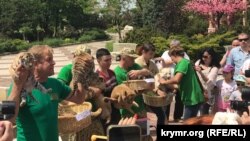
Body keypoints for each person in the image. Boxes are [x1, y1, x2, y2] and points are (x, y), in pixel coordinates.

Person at [7, 45, 87, 141]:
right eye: (49, 60)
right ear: (35, 64)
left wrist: (81, 76)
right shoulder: (18, 86)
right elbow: (7, 117)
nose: (54, 63)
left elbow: (79, 99)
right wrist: (17, 84)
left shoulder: (56, 84)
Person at [57, 45, 105, 141]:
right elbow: (59, 93)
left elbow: (99, 88)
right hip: (75, 116)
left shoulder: (90, 71)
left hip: (91, 115)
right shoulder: (67, 70)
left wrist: (88, 93)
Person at [159, 47, 204, 120]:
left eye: (171, 57)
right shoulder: (185, 62)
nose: (171, 59)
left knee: (187, 122)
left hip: (192, 98)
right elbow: (180, 83)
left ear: (175, 54)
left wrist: (164, 81)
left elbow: (177, 79)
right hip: (193, 97)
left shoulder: (182, 63)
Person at [114, 48, 152, 118]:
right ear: (124, 58)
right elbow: (124, 93)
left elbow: (148, 72)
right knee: (131, 128)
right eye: (131, 58)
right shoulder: (117, 73)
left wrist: (140, 72)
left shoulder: (134, 66)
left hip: (140, 108)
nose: (133, 60)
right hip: (127, 110)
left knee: (143, 128)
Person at [134, 43, 165, 125]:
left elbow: (157, 77)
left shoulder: (152, 64)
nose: (152, 56)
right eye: (150, 54)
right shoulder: (136, 63)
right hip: (139, 95)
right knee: (141, 118)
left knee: (161, 115)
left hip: (150, 93)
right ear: (143, 52)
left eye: (153, 54)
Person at [161, 40, 188, 122]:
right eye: (172, 46)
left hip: (177, 80)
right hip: (168, 78)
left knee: (179, 99)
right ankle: (166, 117)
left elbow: (186, 61)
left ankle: (177, 116)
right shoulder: (166, 53)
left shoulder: (183, 57)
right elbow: (163, 64)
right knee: (167, 98)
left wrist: (173, 60)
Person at [95, 48, 120, 125]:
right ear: (98, 61)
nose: (109, 62)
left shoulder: (112, 73)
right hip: (106, 112)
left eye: (110, 60)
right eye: (106, 60)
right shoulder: (96, 77)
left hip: (116, 109)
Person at [194, 47, 220, 115]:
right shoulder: (198, 62)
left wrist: (200, 72)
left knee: (203, 114)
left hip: (206, 95)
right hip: (196, 92)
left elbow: (209, 81)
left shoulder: (214, 68)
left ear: (211, 57)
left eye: (206, 57)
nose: (204, 58)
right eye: (203, 56)